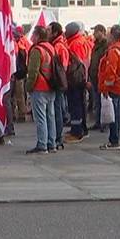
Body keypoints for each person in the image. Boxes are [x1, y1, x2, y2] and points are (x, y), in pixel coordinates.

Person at [25, 25, 57, 154]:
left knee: (40, 117)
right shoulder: (51, 47)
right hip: (51, 86)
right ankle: (51, 143)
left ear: (37, 36)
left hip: (40, 87)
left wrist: (29, 87)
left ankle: (42, 144)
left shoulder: (37, 50)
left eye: (33, 35)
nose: (31, 37)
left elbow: (33, 72)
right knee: (51, 116)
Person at [98, 25, 120, 151]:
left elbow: (110, 71)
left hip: (114, 89)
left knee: (113, 115)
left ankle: (114, 141)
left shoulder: (113, 52)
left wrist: (106, 88)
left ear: (112, 36)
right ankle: (114, 139)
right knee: (115, 114)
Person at [62, 22, 91, 143]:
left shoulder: (75, 44)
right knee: (80, 104)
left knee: (76, 105)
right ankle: (81, 129)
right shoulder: (82, 41)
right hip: (82, 78)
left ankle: (76, 131)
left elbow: (77, 64)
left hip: (76, 79)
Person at [48, 22, 69, 151]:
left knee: (57, 111)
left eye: (49, 30)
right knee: (57, 109)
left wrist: (57, 79)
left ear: (55, 33)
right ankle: (57, 136)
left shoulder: (59, 46)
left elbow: (63, 66)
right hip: (59, 82)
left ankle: (58, 137)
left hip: (58, 83)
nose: (47, 33)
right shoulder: (57, 45)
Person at [88, 25, 108, 131]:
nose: (94, 34)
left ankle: (104, 122)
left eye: (96, 31)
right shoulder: (95, 45)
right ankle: (98, 121)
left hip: (102, 77)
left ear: (102, 32)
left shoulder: (106, 45)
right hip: (94, 77)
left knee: (103, 101)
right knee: (97, 101)